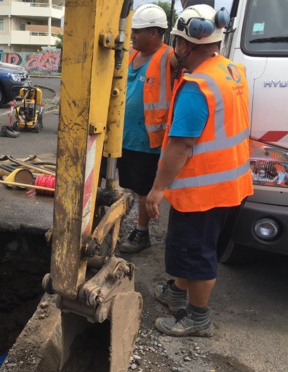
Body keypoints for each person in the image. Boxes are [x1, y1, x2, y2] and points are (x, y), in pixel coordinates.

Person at [145, 4, 253, 337]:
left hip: (203, 191)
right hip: (230, 184)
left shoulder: (197, 86)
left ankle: (198, 318)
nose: (175, 50)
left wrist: (157, 189)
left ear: (185, 44)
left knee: (196, 253)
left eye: (177, 41)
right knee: (195, 248)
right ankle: (177, 293)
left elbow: (180, 146)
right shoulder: (232, 71)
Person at [117, 4, 175, 254]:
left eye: (138, 31)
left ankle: (142, 233)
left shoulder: (167, 57)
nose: (133, 36)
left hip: (148, 139)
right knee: (125, 183)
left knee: (143, 189)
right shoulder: (130, 54)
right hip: (122, 135)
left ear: (154, 33)